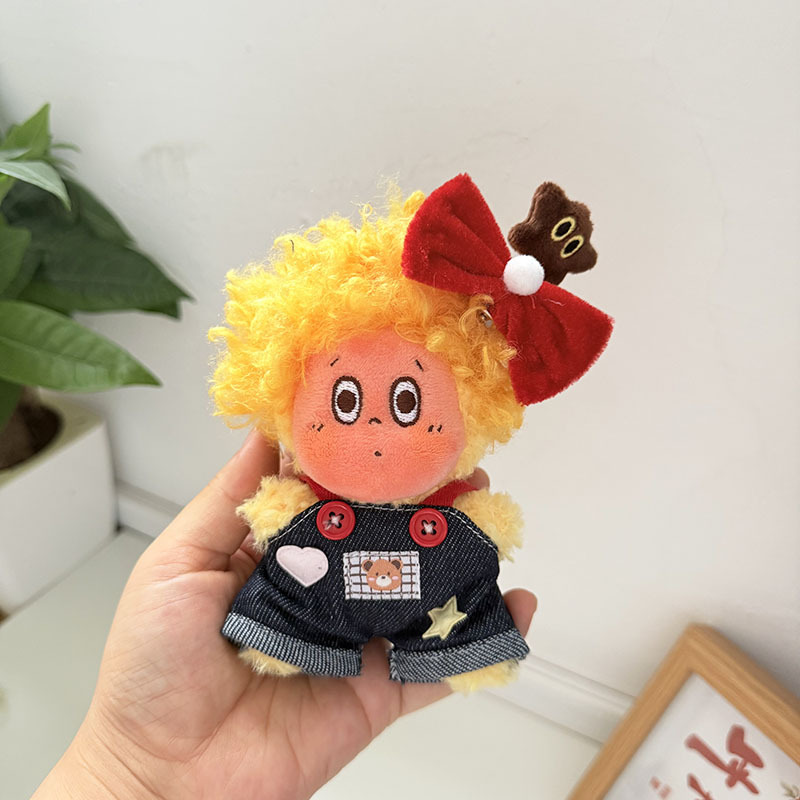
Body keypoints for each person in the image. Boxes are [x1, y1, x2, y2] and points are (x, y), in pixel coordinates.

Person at [32, 431, 536, 800]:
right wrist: (127, 770)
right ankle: (288, 637)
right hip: (319, 574)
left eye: (406, 403)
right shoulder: (306, 501)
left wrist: (124, 776)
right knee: (294, 573)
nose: (376, 429)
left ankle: (463, 647)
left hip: (434, 569)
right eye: (346, 402)